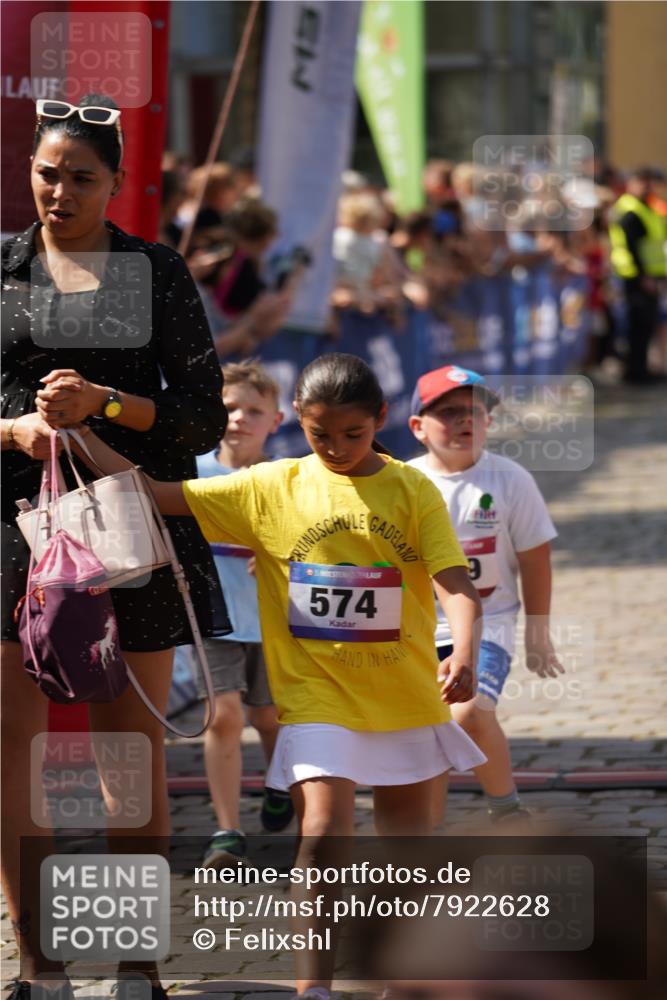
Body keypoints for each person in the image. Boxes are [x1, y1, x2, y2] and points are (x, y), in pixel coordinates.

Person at [71, 352, 486, 1000]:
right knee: (320, 835)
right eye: (321, 435)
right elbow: (154, 494)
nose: (337, 448)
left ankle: (401, 983)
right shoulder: (271, 485)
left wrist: (461, 650)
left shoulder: (411, 489)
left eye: (352, 434)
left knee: (408, 854)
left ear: (379, 419)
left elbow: (456, 585)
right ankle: (311, 988)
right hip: (316, 697)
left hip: (404, 693)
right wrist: (79, 429)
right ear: (299, 420)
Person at [0, 95, 229, 1000]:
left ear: (117, 183)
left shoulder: (154, 271)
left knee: (123, 757)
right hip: (15, 534)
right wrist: (14, 429)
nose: (59, 192)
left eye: (81, 179)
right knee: (13, 755)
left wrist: (106, 402)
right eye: (47, 173)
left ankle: (137, 964)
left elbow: (203, 416)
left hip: (131, 531)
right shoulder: (4, 266)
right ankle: (38, 965)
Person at [408, 365, 563, 828]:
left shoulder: (511, 480)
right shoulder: (403, 483)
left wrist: (538, 634)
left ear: (490, 422)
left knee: (469, 710)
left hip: (487, 623)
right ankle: (424, 836)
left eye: (476, 411)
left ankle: (506, 808)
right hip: (413, 628)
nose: (466, 420)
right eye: (449, 412)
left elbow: (536, 560)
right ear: (417, 428)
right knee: (425, 727)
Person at [186, 360, 295, 869]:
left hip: (275, 621)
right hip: (214, 617)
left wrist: (279, 553)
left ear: (276, 420)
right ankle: (227, 829)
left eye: (254, 410)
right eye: (229, 407)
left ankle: (280, 789)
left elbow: (310, 543)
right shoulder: (192, 471)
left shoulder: (287, 478)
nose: (239, 418)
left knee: (271, 717)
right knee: (224, 718)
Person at [608, 167, 667, 383]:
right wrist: (645, 276)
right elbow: (632, 247)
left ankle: (641, 369)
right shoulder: (630, 210)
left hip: (648, 275)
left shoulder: (647, 207)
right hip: (634, 276)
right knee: (637, 325)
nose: (647, 187)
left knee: (645, 325)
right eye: (642, 182)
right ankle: (636, 372)